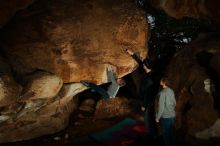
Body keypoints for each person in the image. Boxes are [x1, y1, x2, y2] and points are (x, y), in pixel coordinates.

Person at [125, 49, 157, 138]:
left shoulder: (150, 78)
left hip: (147, 101)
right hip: (146, 99)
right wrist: (132, 54)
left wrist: (143, 104)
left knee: (147, 118)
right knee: (148, 118)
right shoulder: (148, 72)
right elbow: (140, 62)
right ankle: (151, 133)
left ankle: (151, 135)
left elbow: (148, 93)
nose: (143, 65)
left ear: (147, 66)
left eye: (144, 65)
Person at [155, 77, 176, 146]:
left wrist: (157, 117)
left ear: (164, 82)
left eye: (161, 80)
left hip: (166, 117)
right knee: (171, 134)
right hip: (172, 116)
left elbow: (161, 107)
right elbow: (174, 103)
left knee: (166, 135)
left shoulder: (162, 93)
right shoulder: (171, 91)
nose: (160, 81)